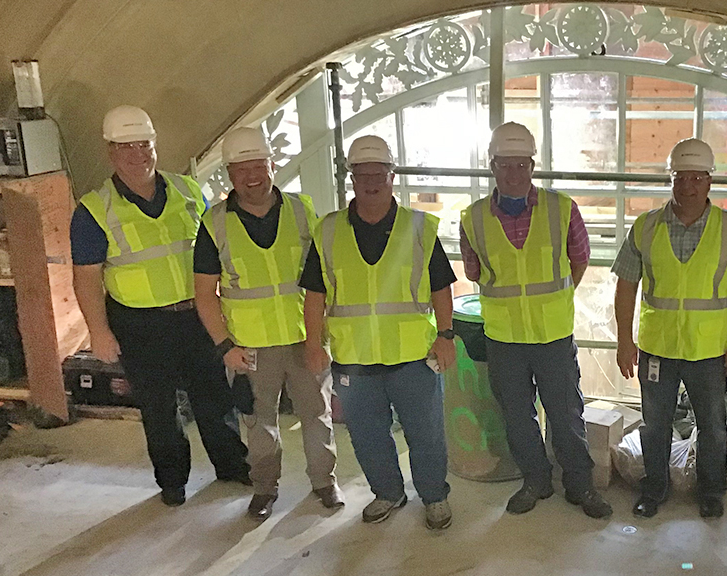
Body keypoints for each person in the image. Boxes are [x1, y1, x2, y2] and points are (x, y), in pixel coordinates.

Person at [71, 105, 249, 507]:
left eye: (144, 144)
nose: (138, 155)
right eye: (126, 147)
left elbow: (216, 247)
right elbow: (85, 279)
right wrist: (99, 331)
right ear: (110, 152)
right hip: (139, 325)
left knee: (214, 398)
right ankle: (172, 481)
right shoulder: (94, 210)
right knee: (159, 408)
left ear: (155, 145)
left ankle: (232, 465)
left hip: (196, 315)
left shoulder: (188, 190)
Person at [301, 135, 456, 530]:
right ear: (351, 178)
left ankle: (434, 496)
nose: (370, 182)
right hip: (355, 358)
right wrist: (313, 343)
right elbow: (315, 293)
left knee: (426, 434)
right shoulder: (329, 230)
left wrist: (446, 335)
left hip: (413, 356)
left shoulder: (419, 227)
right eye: (362, 174)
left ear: (392, 176)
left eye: (378, 174)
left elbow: (441, 287)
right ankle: (388, 492)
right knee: (367, 435)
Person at [460, 122, 612, 519]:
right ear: (492, 166)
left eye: (521, 164)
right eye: (504, 165)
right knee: (517, 417)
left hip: (552, 335)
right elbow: (474, 271)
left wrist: (552, 301)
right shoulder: (473, 218)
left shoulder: (562, 209)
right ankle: (536, 481)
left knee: (566, 414)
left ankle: (579, 484)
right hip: (504, 337)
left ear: (532, 165)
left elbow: (579, 261)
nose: (513, 174)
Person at [193, 127, 341, 521]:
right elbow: (204, 294)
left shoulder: (302, 210)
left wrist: (320, 338)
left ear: (272, 166)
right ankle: (264, 489)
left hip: (304, 338)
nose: (251, 176)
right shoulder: (214, 224)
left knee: (317, 415)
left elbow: (323, 276)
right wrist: (226, 347)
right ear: (229, 174)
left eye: (258, 166)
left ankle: (324, 482)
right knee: (259, 424)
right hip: (250, 347)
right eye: (241, 169)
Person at [612, 138, 727, 519]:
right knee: (655, 425)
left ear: (710, 181)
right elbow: (626, 285)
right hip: (657, 347)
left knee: (712, 426)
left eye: (697, 178)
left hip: (709, 350)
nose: (688, 186)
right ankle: (654, 489)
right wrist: (625, 340)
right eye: (680, 177)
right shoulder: (645, 227)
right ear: (671, 180)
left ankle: (711, 492)